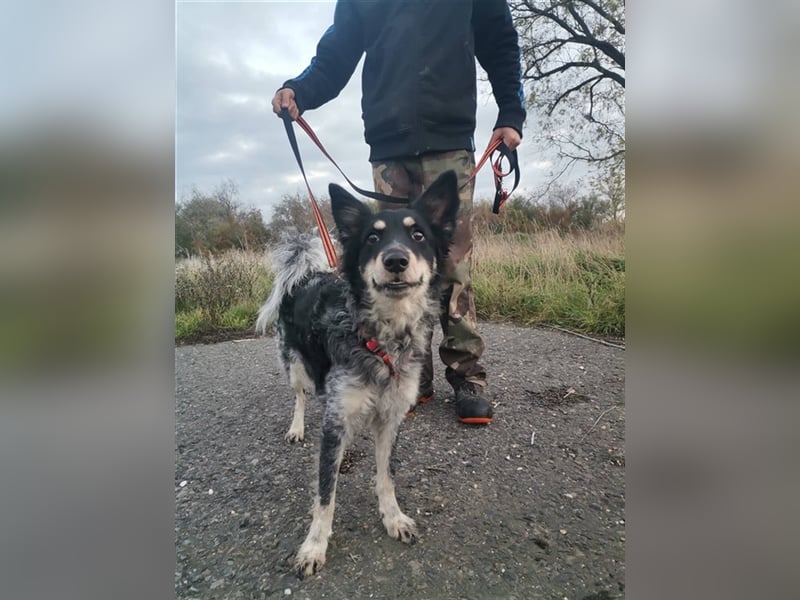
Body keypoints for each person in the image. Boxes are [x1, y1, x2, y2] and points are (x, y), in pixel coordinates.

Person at [272, 0, 526, 425]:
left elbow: (500, 40)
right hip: (388, 147)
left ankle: (467, 373)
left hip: (450, 142)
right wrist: (300, 90)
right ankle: (410, 371)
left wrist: (511, 113)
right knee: (393, 263)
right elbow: (337, 50)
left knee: (452, 262)